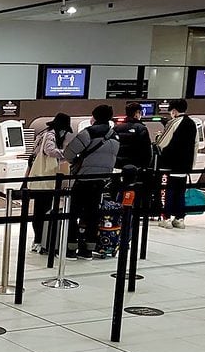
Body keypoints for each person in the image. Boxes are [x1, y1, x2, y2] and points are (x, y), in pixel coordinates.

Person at [63, 105, 119, 259]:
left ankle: (71, 248)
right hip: (101, 181)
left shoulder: (88, 133)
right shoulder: (114, 136)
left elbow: (69, 153)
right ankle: (88, 249)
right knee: (92, 214)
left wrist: (76, 162)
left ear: (94, 117)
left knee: (73, 213)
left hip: (84, 179)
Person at [26, 112, 71, 253]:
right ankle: (40, 240)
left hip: (38, 177)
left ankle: (38, 240)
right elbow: (49, 151)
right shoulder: (51, 135)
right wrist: (67, 153)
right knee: (43, 211)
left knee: (39, 211)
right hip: (45, 179)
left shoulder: (42, 134)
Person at [154, 99, 198, 229]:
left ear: (174, 111)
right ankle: (179, 219)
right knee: (180, 192)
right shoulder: (192, 123)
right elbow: (196, 146)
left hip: (169, 164)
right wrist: (191, 165)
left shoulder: (173, 122)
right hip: (184, 166)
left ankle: (165, 218)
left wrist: (157, 138)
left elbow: (162, 143)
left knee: (167, 191)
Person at [114, 102, 153, 170]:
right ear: (137, 113)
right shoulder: (141, 128)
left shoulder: (116, 128)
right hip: (135, 165)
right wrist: (145, 166)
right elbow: (146, 149)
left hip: (118, 165)